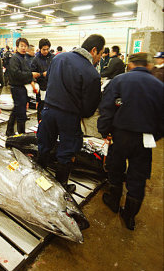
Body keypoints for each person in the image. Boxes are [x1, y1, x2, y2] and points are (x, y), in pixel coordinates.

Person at [97, 52, 164, 230]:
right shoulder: (159, 86)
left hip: (120, 136)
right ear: (148, 65)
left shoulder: (119, 81)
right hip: (144, 139)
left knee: (115, 168)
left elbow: (107, 108)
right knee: (138, 177)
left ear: (131, 64)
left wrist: (105, 131)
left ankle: (113, 201)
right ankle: (129, 216)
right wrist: (153, 136)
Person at [37, 34, 105, 192]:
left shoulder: (58, 59)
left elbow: (49, 83)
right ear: (94, 50)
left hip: (47, 111)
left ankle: (37, 180)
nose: (100, 58)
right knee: (66, 152)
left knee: (44, 145)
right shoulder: (92, 73)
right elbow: (89, 109)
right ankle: (61, 189)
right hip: (68, 117)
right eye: (101, 54)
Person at [6, 37, 40, 136]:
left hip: (23, 87)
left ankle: (9, 130)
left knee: (17, 109)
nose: (24, 48)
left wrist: (32, 80)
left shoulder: (23, 58)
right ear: (17, 47)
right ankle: (21, 134)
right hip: (17, 88)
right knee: (21, 112)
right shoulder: (15, 59)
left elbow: (26, 72)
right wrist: (31, 75)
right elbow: (16, 74)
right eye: (21, 46)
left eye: (25, 46)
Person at [31, 38, 54, 122]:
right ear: (40, 48)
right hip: (42, 88)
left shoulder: (53, 58)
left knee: (52, 108)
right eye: (44, 49)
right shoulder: (36, 60)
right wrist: (42, 74)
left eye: (47, 49)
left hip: (52, 87)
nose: (46, 51)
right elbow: (32, 74)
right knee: (41, 108)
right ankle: (41, 125)